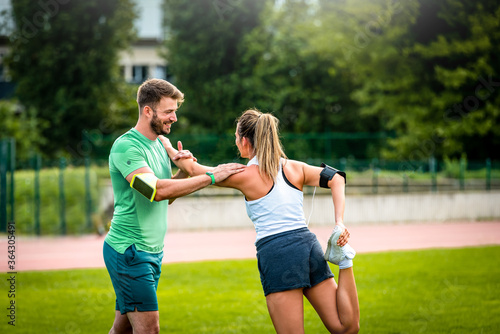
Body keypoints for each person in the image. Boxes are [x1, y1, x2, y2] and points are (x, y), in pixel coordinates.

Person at [160, 109, 360, 333]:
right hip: (308, 246)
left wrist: (167, 145)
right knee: (346, 328)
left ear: (245, 141)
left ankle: (344, 260)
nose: (236, 144)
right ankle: (345, 261)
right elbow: (336, 178)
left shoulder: (244, 174)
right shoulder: (295, 167)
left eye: (236, 139)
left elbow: (192, 170)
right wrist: (339, 222)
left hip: (278, 254)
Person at [103, 78, 245, 334]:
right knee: (149, 330)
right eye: (168, 112)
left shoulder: (159, 144)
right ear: (148, 111)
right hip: (129, 252)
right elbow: (155, 191)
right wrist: (212, 177)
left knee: (121, 330)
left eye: (175, 112)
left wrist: (183, 173)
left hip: (152, 252)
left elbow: (167, 194)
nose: (174, 118)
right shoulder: (126, 148)